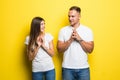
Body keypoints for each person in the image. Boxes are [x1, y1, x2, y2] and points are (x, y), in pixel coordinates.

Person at [57, 6, 94, 80]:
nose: (70, 18)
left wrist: (79, 39)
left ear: (79, 17)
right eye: (69, 16)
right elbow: (59, 49)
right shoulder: (63, 30)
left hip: (83, 69)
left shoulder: (88, 30)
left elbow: (90, 50)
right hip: (67, 69)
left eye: (73, 16)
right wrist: (70, 40)